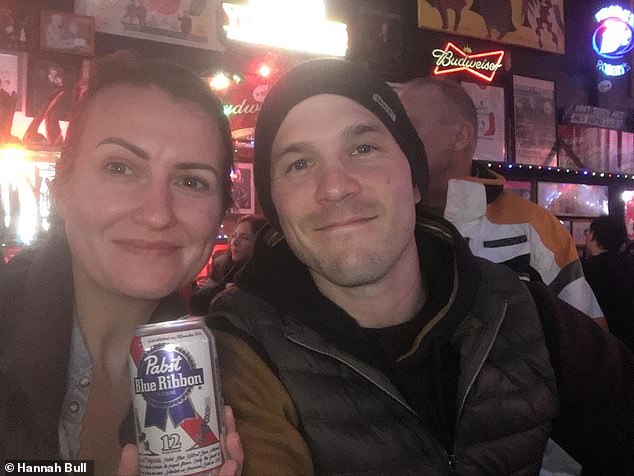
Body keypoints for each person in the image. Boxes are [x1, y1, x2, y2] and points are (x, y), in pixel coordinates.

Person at [207, 58, 634, 474]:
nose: (335, 186)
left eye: (362, 148)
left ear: (414, 181)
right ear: (276, 207)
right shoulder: (235, 356)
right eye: (299, 164)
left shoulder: (522, 314)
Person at [0, 54, 243, 475]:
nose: (157, 214)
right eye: (120, 167)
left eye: (191, 181)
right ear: (62, 189)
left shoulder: (229, 377)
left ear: (221, 210)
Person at [397, 77, 608, 330]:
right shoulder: (381, 221)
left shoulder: (535, 228)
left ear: (461, 136)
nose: (397, 139)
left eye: (409, 127)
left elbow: (589, 344)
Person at [190, 215, 267, 315]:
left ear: (259, 243)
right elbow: (196, 302)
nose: (234, 242)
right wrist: (223, 287)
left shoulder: (263, 274)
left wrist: (216, 288)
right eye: (234, 235)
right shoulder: (221, 264)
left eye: (245, 238)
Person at [583, 215, 634, 349]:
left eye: (588, 232)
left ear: (593, 236)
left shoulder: (588, 270)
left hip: (606, 347)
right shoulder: (628, 263)